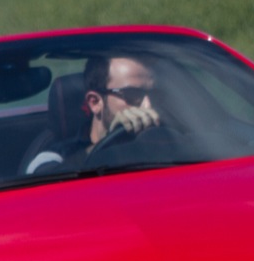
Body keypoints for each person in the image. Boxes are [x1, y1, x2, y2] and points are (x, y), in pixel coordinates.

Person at [25, 54, 164, 174]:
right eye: (132, 94)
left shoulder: (165, 143)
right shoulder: (56, 156)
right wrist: (111, 144)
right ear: (95, 102)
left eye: (155, 95)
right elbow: (45, 183)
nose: (148, 106)